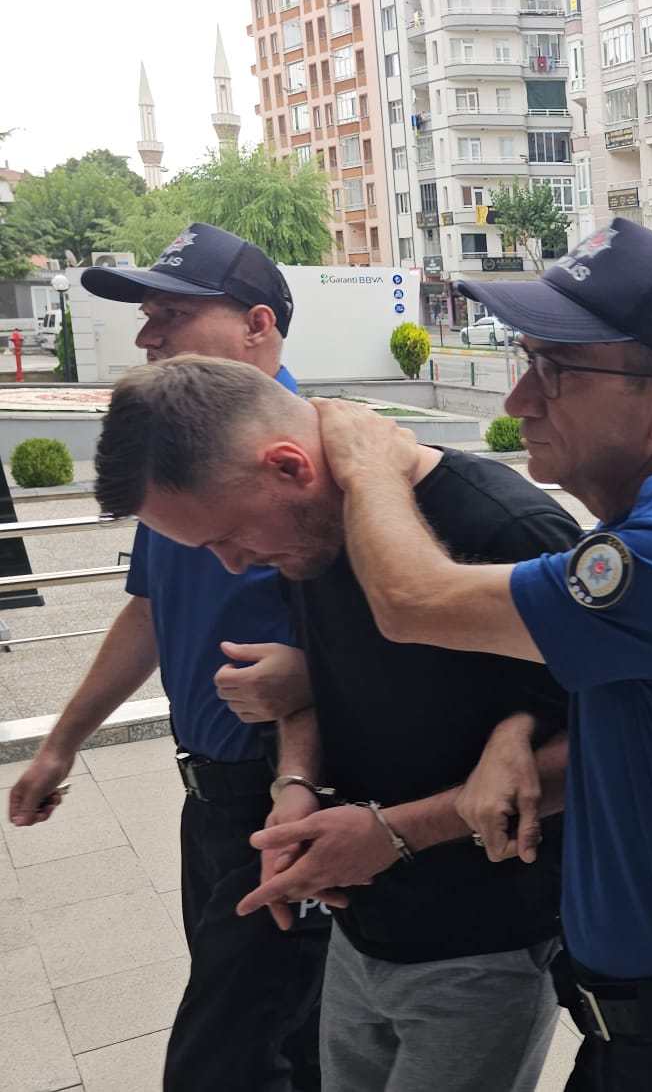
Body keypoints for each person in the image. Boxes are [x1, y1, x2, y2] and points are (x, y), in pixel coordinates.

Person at [281, 218, 652, 1091]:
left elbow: (409, 601)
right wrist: (516, 726)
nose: (519, 401)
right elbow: (636, 721)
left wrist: (371, 462)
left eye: (555, 371)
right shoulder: (648, 536)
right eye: (526, 362)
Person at [94, 355, 578, 1092]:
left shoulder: (503, 524)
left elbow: (603, 747)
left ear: (289, 466)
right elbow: (319, 683)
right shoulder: (309, 538)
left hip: (486, 943)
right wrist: (295, 783)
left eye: (229, 536)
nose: (235, 565)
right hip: (358, 929)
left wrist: (393, 833)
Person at [6, 224, 328, 1092]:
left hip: (287, 801)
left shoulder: (323, 463)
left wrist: (311, 685)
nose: (148, 337)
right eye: (146, 316)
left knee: (222, 1060)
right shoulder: (178, 461)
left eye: (171, 315)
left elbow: (408, 641)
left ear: (257, 326)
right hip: (209, 800)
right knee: (295, 1044)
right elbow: (150, 612)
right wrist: (62, 744)